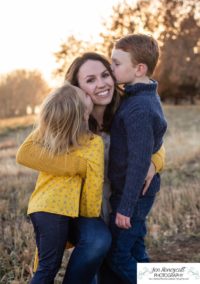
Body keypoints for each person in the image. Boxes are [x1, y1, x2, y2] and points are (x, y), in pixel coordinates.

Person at [16, 52, 166, 284]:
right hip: (82, 210)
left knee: (128, 259)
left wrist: (154, 161)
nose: (102, 84)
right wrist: (82, 166)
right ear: (77, 88)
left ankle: (184, 277)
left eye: (105, 75)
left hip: (120, 206)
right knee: (104, 249)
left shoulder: (129, 108)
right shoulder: (67, 118)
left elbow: (154, 141)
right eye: (90, 80)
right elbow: (26, 153)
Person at [16, 83, 109, 284]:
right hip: (56, 211)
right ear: (83, 114)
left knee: (48, 266)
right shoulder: (92, 142)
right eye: (83, 94)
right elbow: (93, 190)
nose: (86, 91)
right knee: (48, 268)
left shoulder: (52, 135)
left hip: (41, 208)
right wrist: (89, 216)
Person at [106, 34, 168, 284]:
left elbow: (140, 163)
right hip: (134, 194)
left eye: (116, 63)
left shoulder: (140, 107)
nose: (111, 69)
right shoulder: (139, 96)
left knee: (118, 256)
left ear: (139, 68)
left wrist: (125, 207)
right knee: (135, 248)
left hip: (133, 195)